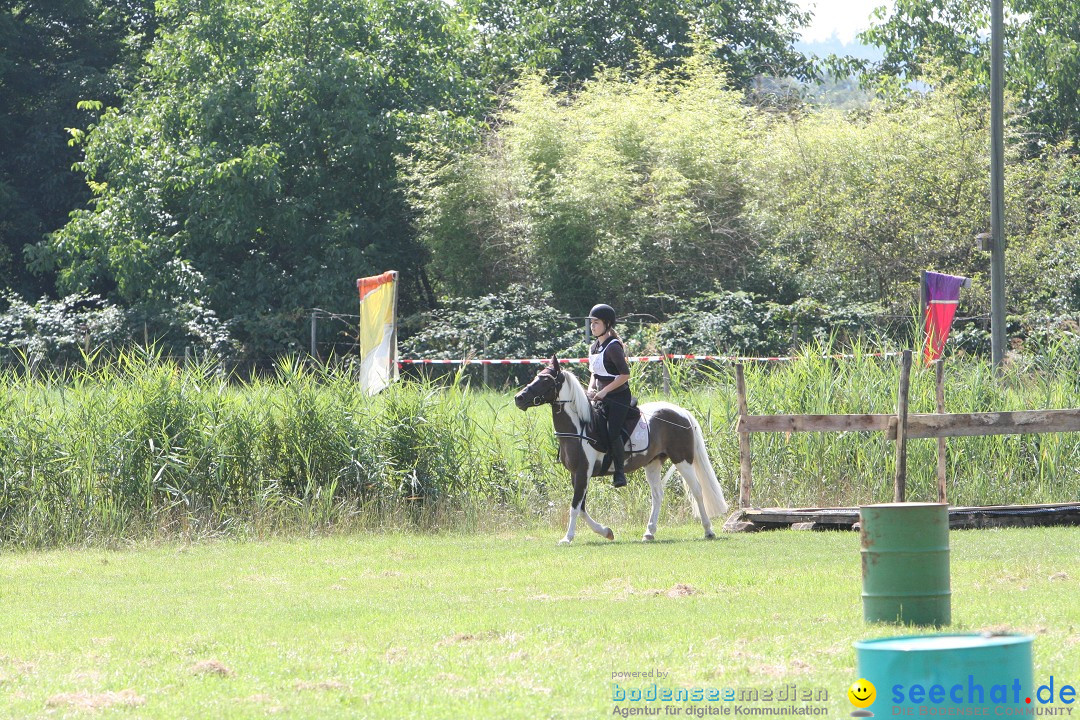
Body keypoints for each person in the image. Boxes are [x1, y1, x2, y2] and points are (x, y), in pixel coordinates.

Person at [586, 303, 632, 488]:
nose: (592, 326)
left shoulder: (613, 347)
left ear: (607, 324)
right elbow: (594, 373)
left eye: (596, 323)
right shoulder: (594, 347)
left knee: (612, 431)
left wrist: (604, 391)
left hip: (618, 398)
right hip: (601, 396)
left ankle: (619, 473)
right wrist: (591, 389)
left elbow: (625, 375)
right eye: (591, 323)